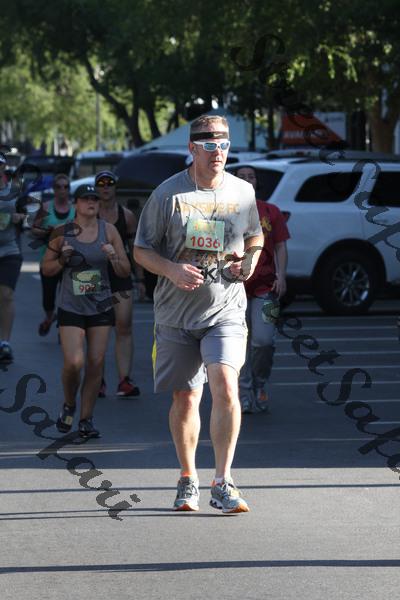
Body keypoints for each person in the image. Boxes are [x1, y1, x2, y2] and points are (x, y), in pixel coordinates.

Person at [134, 115, 264, 513]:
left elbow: (255, 235)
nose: (217, 153)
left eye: (223, 145)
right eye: (209, 146)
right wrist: (171, 270)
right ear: (192, 148)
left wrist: (251, 262)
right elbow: (141, 250)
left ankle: (223, 480)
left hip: (225, 308)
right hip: (176, 314)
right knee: (187, 397)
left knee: (226, 385)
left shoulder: (242, 191)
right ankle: (187, 476)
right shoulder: (168, 195)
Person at [42, 184, 130, 438]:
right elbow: (46, 269)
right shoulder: (62, 232)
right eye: (85, 199)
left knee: (95, 363)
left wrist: (113, 257)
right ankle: (69, 404)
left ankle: (85, 419)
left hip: (100, 306)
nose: (91, 202)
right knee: (73, 362)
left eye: (94, 199)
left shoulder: (109, 231)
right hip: (71, 306)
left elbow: (125, 270)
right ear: (76, 204)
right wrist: (62, 260)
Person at [236, 166, 289, 414]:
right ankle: (243, 391)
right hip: (232, 290)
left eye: (251, 176)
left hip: (266, 288)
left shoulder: (271, 211)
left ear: (257, 181)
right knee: (238, 344)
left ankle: (260, 383)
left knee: (263, 341)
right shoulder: (225, 210)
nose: (248, 180)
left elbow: (280, 246)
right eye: (242, 177)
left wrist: (282, 275)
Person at [95, 169, 143, 397]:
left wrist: (140, 278)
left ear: (115, 187)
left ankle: (124, 380)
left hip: (120, 274)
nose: (105, 187)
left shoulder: (127, 216)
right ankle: (98, 380)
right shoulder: (87, 214)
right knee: (97, 329)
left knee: (124, 326)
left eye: (109, 183)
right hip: (93, 276)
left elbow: (134, 251)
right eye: (101, 184)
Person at [31, 173, 75, 336]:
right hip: (48, 259)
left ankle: (65, 326)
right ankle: (49, 317)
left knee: (68, 295)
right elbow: (34, 229)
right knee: (48, 298)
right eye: (58, 187)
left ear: (69, 189)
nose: (62, 190)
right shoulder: (46, 207)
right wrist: (45, 231)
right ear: (54, 189)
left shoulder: (76, 209)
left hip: (70, 259)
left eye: (65, 187)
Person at [0, 152, 26, 364]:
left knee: (6, 295)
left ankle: (5, 343)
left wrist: (20, 218)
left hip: (10, 250)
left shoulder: (15, 190)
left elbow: (31, 216)